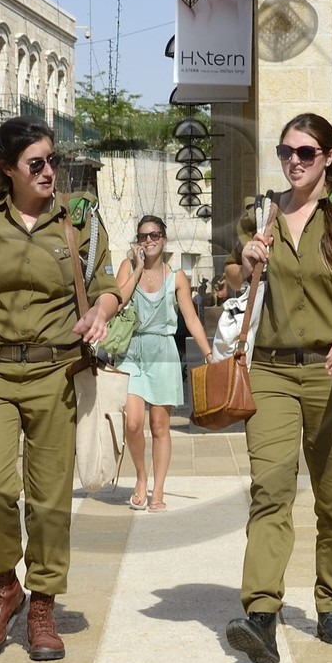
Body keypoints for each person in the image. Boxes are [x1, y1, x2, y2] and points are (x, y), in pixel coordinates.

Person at [0, 116, 120, 663]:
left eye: (52, 160)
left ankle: (42, 603)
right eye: (35, 163)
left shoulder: (78, 218)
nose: (48, 171)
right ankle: (1, 584)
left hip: (56, 370)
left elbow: (107, 285)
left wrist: (101, 315)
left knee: (49, 499)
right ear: (7, 168)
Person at [224, 113, 332, 663]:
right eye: (286, 151)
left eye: (306, 152)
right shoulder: (258, 212)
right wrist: (244, 263)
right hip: (268, 371)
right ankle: (261, 615)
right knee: (270, 490)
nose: (294, 161)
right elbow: (230, 283)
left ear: (329, 157)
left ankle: (331, 604)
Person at [115, 215, 213, 511]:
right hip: (132, 349)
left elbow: (191, 318)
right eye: (143, 236)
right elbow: (117, 301)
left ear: (164, 239)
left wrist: (208, 353)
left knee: (159, 425)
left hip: (163, 352)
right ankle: (141, 478)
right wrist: (137, 268)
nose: (149, 240)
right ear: (138, 241)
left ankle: (158, 489)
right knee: (132, 423)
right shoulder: (128, 267)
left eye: (155, 235)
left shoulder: (177, 276)